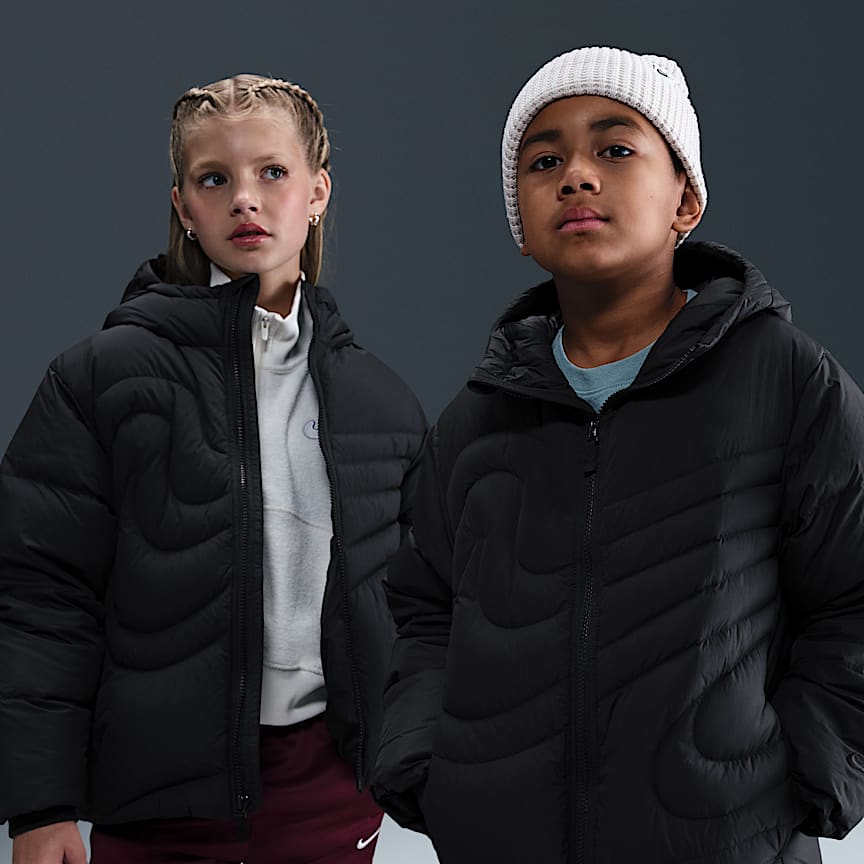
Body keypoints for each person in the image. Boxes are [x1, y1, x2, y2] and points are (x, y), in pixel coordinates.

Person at [372, 45, 864, 864]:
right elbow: (424, 611)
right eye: (544, 161)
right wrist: (426, 767)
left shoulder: (783, 379)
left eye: (615, 149)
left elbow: (853, 597)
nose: (576, 176)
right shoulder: (474, 420)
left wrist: (801, 779)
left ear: (685, 200)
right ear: (521, 221)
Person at [0, 74, 426, 864]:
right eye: (213, 179)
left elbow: (421, 609)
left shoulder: (382, 403)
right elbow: (40, 597)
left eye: (272, 172)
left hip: (332, 795)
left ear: (317, 192)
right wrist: (40, 806)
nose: (245, 199)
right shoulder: (100, 380)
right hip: (159, 801)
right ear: (184, 207)